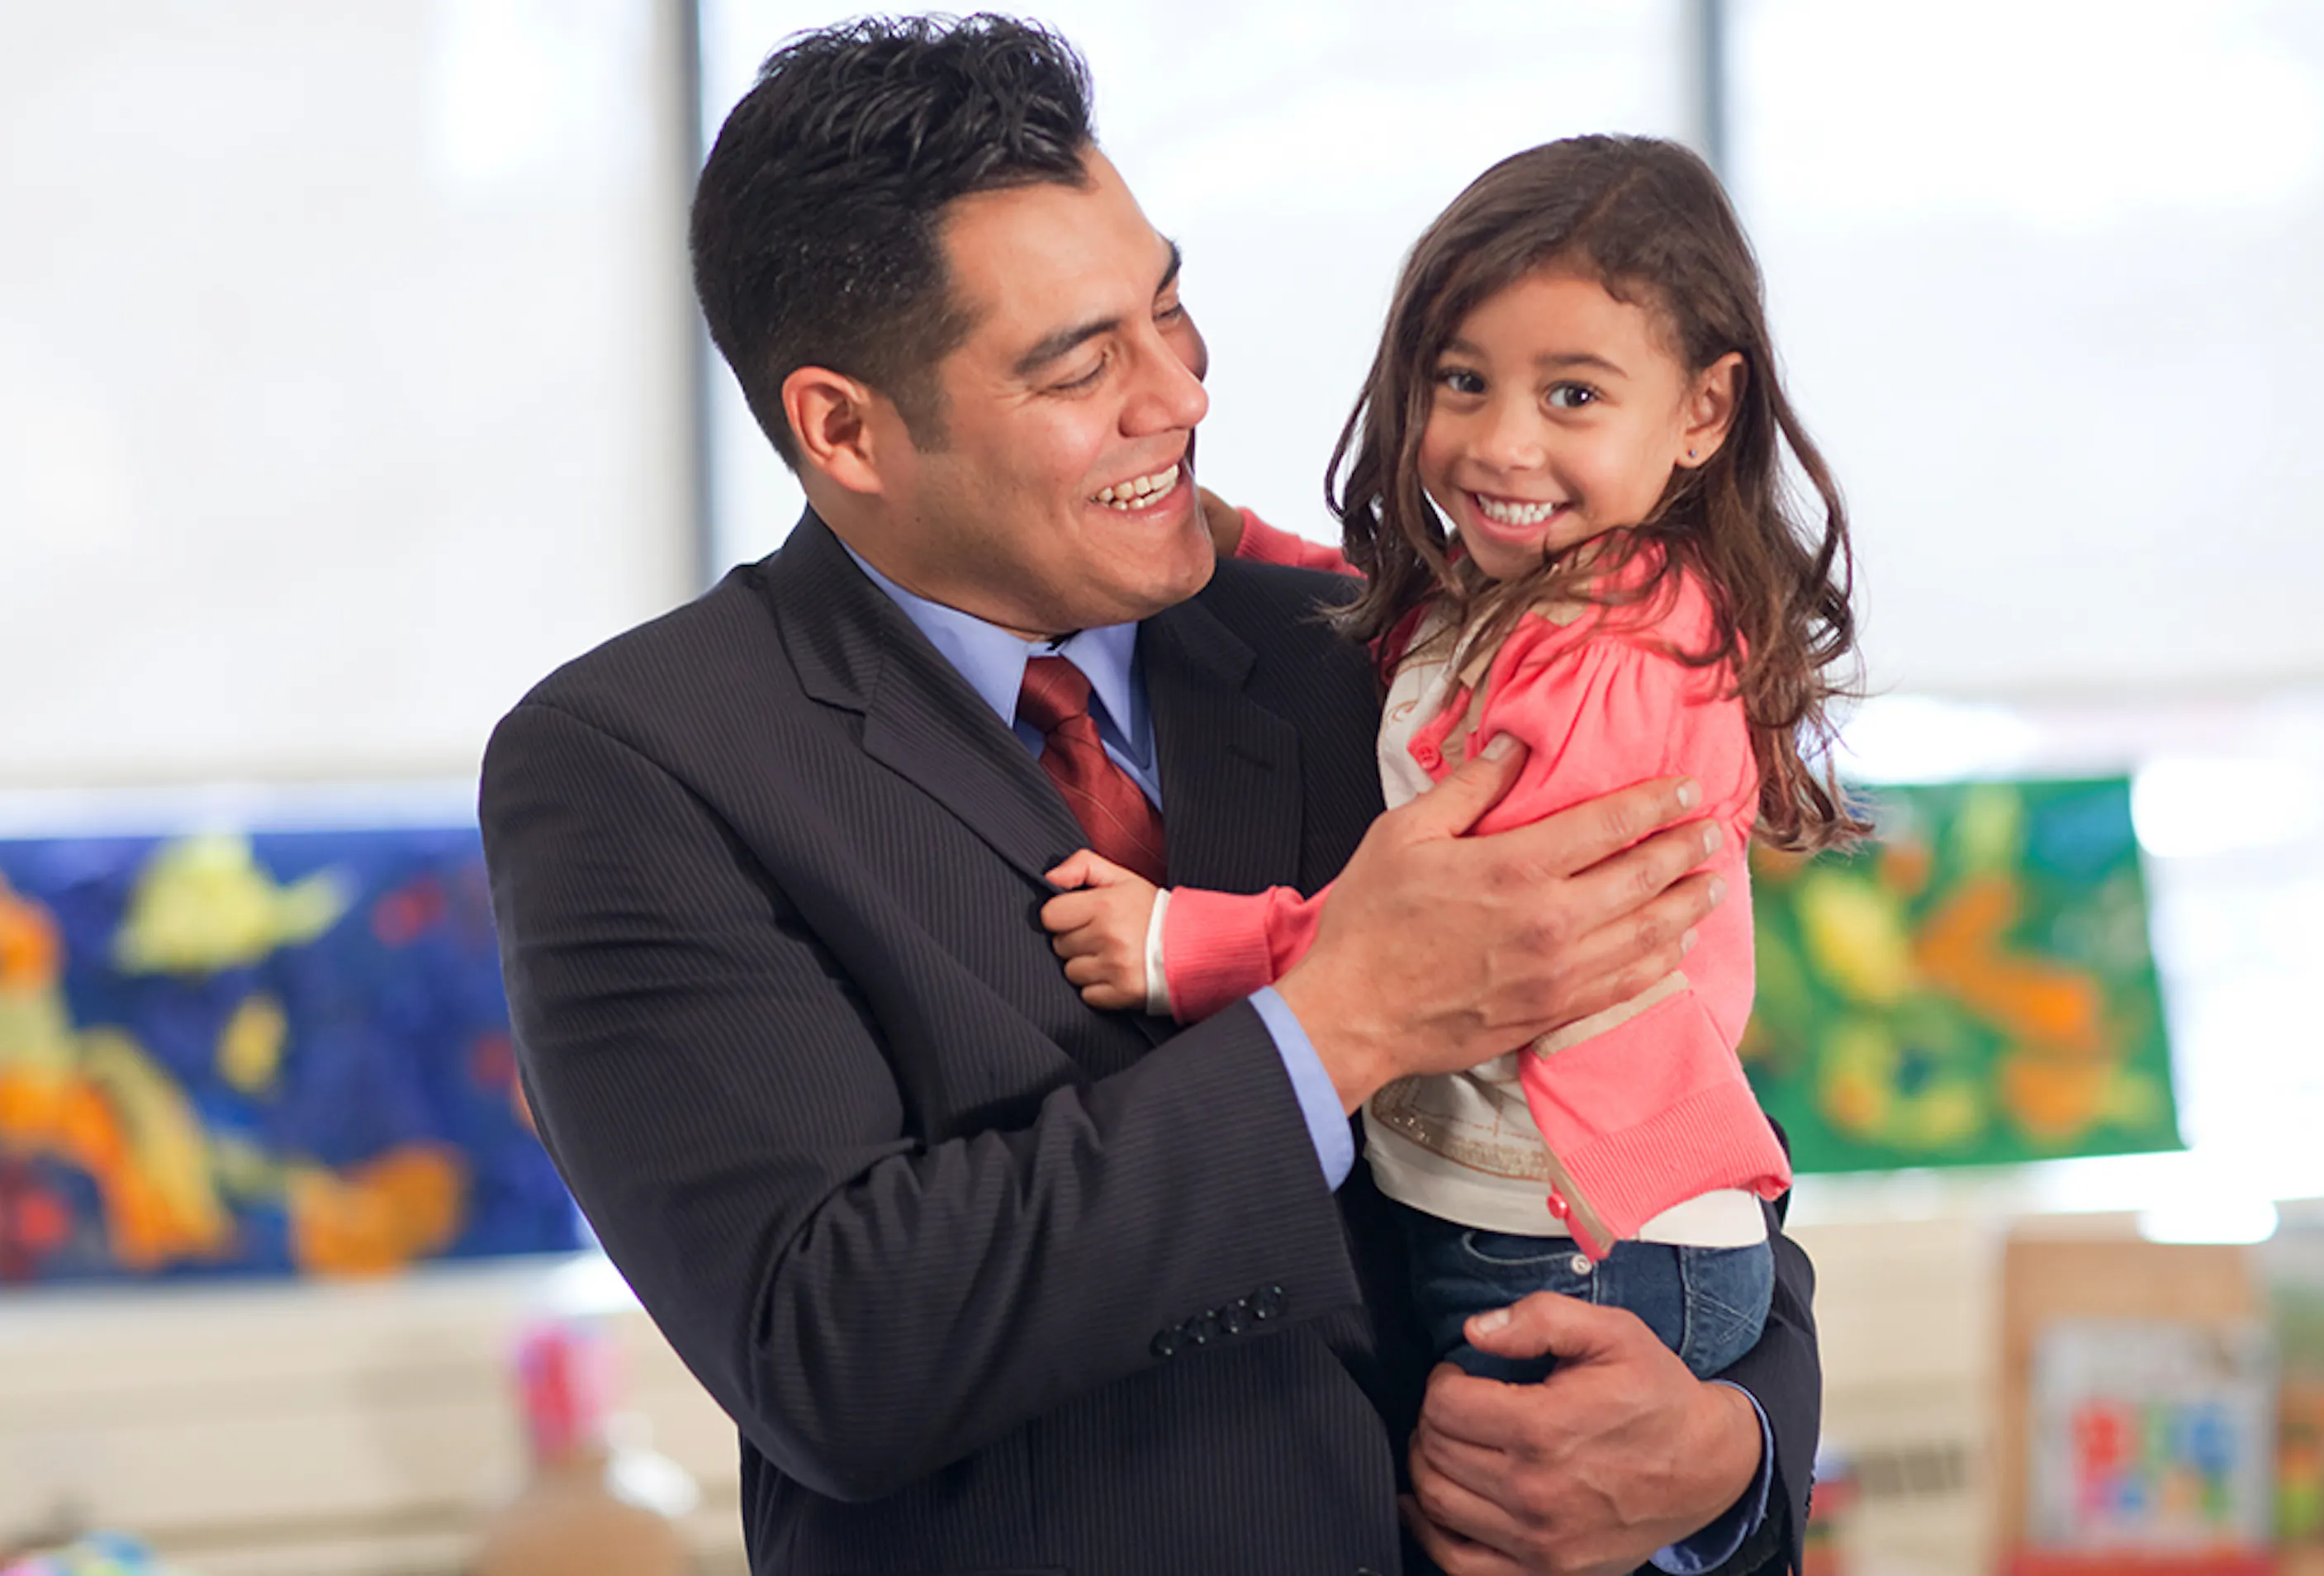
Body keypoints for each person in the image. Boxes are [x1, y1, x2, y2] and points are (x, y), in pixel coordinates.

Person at [477, 17, 1818, 1575]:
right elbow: (835, 1344)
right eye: (1082, 364)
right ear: (844, 428)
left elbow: (1670, 1102)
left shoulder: (1363, 655)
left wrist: (1726, 1456)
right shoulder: (637, 764)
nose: (1179, 393)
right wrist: (1339, 1021)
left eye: (1168, 309)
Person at [1040, 135, 1862, 1398]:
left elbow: (1459, 936)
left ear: (1703, 412)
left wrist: (1175, 946)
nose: (1501, 444)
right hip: (1541, 1212)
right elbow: (1423, 626)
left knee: (1498, 1495)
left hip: (1581, 1238)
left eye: (1572, 395)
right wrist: (1240, 545)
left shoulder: (1620, 662)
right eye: (1463, 381)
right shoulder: (1556, 588)